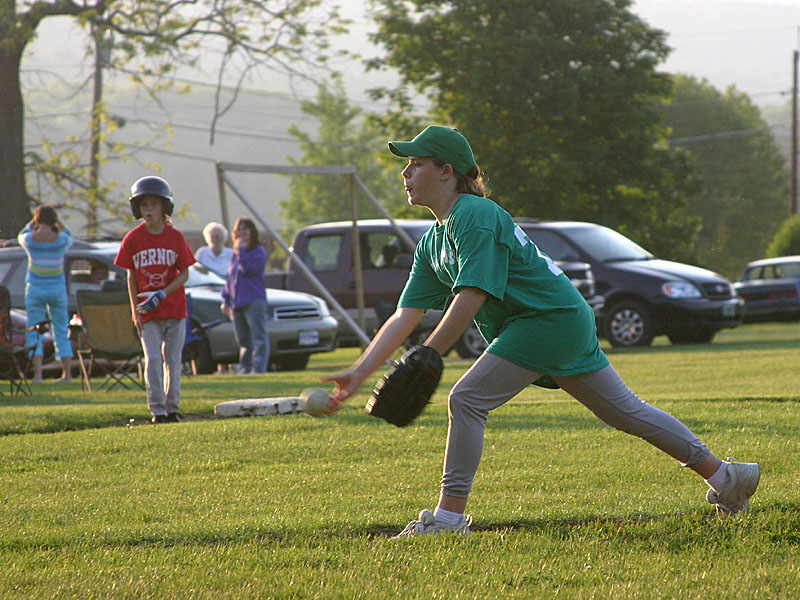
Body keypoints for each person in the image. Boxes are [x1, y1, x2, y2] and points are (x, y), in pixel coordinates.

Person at [321, 125, 761, 538]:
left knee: (467, 398)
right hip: (555, 318)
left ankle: (449, 518)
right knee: (624, 412)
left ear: (446, 172)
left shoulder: (473, 214)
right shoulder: (435, 240)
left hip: (547, 319)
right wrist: (359, 373)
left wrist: (429, 353)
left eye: (415, 163)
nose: (406, 172)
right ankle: (727, 477)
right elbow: (405, 315)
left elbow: (471, 294)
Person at [114, 176, 195, 424]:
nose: (148, 210)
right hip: (147, 312)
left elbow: (185, 273)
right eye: (143, 205)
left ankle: (173, 408)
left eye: (153, 204)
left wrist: (163, 292)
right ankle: (157, 410)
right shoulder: (133, 239)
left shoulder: (175, 237)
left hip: (174, 309)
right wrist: (134, 311)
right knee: (153, 360)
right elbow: (131, 276)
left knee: (173, 360)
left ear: (164, 207)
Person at [17, 205, 75, 384]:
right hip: (57, 288)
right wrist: (57, 222)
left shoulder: (29, 240)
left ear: (37, 219)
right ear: (53, 220)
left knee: (35, 330)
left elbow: (21, 233)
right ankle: (67, 375)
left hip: (35, 288)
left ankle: (37, 376)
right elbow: (70, 234)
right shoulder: (61, 240)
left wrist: (33, 222)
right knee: (61, 328)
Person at [221, 218, 269, 374]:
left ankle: (259, 369)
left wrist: (241, 250)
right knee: (243, 339)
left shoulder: (258, 252)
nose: (241, 233)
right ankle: (245, 368)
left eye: (245, 229)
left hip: (253, 299)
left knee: (258, 337)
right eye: (238, 230)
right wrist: (225, 299)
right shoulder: (235, 255)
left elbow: (247, 270)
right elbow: (230, 278)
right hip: (237, 301)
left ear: (252, 232)